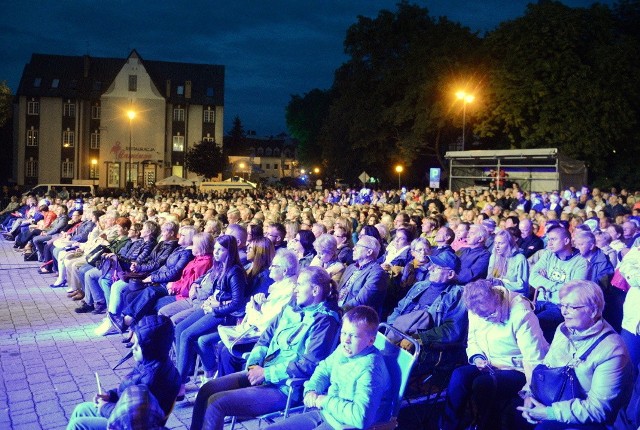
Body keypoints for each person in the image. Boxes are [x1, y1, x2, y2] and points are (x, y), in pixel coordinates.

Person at [190, 266, 341, 430]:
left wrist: (266, 373)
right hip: (262, 373)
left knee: (216, 403)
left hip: (286, 387)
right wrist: (254, 365)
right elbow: (266, 338)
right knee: (207, 389)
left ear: (315, 290)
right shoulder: (291, 306)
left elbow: (309, 364)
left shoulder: (325, 320)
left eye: (300, 285)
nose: (295, 289)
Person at [518, 280, 633, 429]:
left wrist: (549, 413)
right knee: (515, 417)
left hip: (590, 418)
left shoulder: (612, 350)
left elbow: (598, 410)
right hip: (560, 400)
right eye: (562, 305)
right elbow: (546, 367)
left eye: (571, 307)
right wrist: (530, 394)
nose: (564, 312)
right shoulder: (563, 330)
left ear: (593, 311)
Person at [442, 279, 548, 430]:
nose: (488, 319)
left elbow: (534, 357)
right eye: (483, 317)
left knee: (483, 384)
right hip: (488, 363)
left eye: (491, 313)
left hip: (517, 368)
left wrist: (530, 391)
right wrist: (477, 357)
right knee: (459, 375)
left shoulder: (521, 313)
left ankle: (483, 426)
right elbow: (472, 339)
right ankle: (447, 426)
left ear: (498, 297)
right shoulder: (476, 307)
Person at [264, 306, 391, 430]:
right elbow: (324, 369)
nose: (346, 340)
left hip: (345, 425)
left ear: (371, 341)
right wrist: (312, 389)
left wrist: (323, 400)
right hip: (327, 413)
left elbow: (361, 418)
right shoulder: (344, 349)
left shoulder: (371, 370)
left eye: (354, 336)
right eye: (344, 333)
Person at [66, 315, 180, 430]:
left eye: (138, 346)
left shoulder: (152, 379)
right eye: (134, 343)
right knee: (81, 409)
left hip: (131, 424)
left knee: (78, 425)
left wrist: (105, 407)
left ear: (151, 348)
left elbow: (132, 418)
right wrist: (110, 395)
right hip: (124, 411)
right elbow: (127, 393)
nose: (133, 348)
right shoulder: (152, 362)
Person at [173, 234, 248, 399]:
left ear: (230, 251)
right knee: (179, 328)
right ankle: (184, 375)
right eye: (215, 249)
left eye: (220, 250)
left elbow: (237, 302)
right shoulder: (219, 266)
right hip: (211, 306)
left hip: (225, 314)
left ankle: (179, 384)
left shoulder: (235, 271)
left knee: (188, 334)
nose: (216, 252)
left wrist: (216, 307)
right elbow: (216, 289)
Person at [531, 226, 589, 342]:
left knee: (535, 323)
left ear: (566, 241)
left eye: (553, 239)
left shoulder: (581, 263)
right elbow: (532, 278)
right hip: (540, 301)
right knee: (519, 317)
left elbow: (572, 291)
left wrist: (546, 281)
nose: (549, 243)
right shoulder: (548, 255)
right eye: (548, 240)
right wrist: (558, 286)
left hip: (561, 307)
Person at [337, 235, 389, 317]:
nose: (353, 248)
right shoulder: (351, 267)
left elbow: (361, 301)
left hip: (356, 317)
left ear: (369, 252)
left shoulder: (377, 273)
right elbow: (338, 290)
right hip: (339, 310)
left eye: (358, 246)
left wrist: (338, 311)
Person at [487, 229, 530, 295]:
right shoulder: (494, 257)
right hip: (495, 293)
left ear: (509, 243)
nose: (497, 246)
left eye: (501, 243)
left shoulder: (520, 258)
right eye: (495, 243)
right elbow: (489, 277)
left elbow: (522, 286)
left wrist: (502, 284)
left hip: (514, 296)